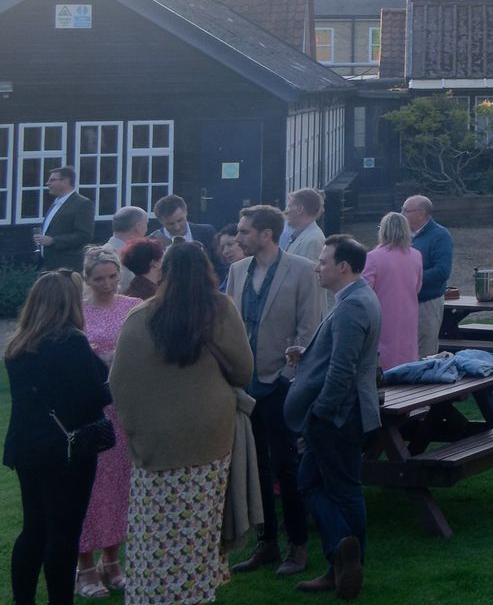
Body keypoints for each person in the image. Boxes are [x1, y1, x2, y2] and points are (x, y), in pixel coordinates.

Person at [110, 242, 253, 605]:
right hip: (209, 437)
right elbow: (243, 371)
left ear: (164, 271)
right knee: (201, 525)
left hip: (155, 443)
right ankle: (196, 591)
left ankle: (152, 593)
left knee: (153, 528)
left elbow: (120, 384)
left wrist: (136, 432)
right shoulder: (220, 309)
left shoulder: (140, 317)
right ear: (206, 270)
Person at [225, 204, 324, 579]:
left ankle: (297, 544)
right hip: (244, 387)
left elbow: (309, 328)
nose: (238, 237)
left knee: (286, 465)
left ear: (266, 234)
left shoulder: (302, 270)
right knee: (255, 467)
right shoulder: (237, 271)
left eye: (244, 231)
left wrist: (285, 377)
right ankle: (266, 543)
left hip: (280, 385)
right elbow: (230, 325)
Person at [6, 271, 113, 605]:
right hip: (67, 450)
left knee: (34, 529)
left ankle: (23, 600)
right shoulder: (71, 342)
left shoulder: (18, 345)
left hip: (28, 447)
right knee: (64, 533)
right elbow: (96, 396)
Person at [284, 237, 380, 601]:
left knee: (340, 488)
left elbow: (343, 371)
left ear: (343, 267)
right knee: (314, 483)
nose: (316, 267)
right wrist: (308, 353)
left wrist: (319, 413)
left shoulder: (353, 305)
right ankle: (341, 563)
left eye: (323, 261)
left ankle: (343, 551)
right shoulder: (356, 297)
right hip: (342, 412)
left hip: (339, 416)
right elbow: (341, 356)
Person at [76, 247, 140, 597]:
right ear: (87, 279)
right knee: (89, 488)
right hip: (91, 410)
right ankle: (84, 566)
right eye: (99, 278)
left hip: (124, 408)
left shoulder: (133, 307)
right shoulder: (78, 313)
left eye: (113, 276)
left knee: (119, 487)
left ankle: (112, 560)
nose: (107, 284)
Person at [360, 212, 423, 371]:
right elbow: (418, 287)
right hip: (408, 314)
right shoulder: (416, 256)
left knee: (383, 357)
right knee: (406, 353)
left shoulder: (372, 257)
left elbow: (364, 291)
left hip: (382, 314)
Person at [402, 196, 453, 360]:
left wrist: (410, 278)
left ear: (421, 214)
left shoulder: (440, 235)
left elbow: (442, 271)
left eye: (406, 211)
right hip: (405, 302)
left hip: (427, 302)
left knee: (426, 352)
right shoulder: (404, 236)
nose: (402, 214)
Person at [34, 166, 96, 276]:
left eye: (52, 180)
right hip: (48, 266)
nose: (47, 183)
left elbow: (84, 235)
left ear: (66, 182)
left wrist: (53, 240)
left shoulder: (82, 203)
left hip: (67, 268)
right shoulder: (57, 203)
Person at [105, 207, 149, 292]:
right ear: (138, 226)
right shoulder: (119, 257)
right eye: (146, 223)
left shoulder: (102, 252)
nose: (147, 229)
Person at [282, 189, 325, 262]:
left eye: (289, 206)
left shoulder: (313, 240)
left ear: (300, 209)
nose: (286, 211)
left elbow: (309, 269)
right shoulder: (302, 235)